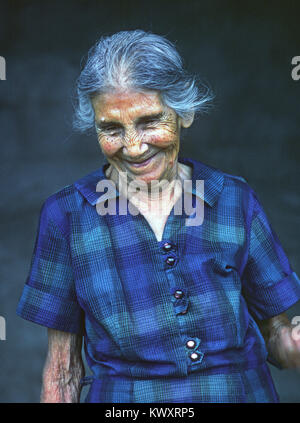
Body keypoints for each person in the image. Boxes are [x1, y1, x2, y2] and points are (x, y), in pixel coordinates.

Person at [17, 30, 300, 403]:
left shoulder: (234, 199)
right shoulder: (67, 216)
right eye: (112, 128)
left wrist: (294, 342)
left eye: (150, 121)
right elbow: (63, 372)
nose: (134, 147)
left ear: (185, 112)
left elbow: (277, 337)